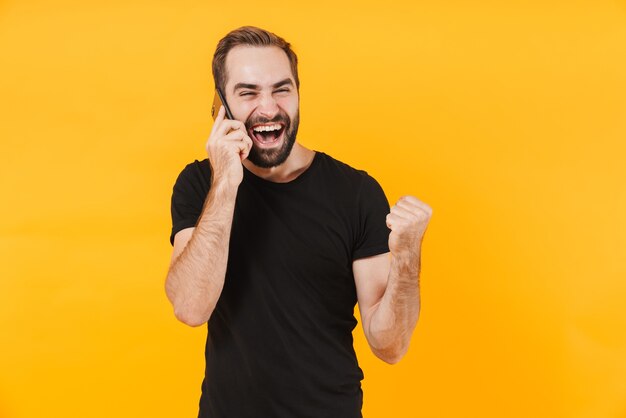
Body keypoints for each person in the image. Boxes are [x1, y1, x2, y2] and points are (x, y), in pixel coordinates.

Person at [165, 26, 432, 418]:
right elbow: (190, 307)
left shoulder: (355, 193)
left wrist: (408, 256)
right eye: (248, 92)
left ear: (298, 93)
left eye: (281, 89)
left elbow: (389, 346)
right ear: (220, 107)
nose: (269, 108)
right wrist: (225, 181)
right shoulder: (199, 185)